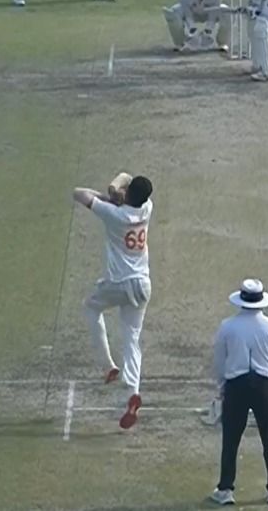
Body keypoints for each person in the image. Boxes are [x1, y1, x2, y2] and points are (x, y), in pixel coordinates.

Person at [71, 172, 153, 429]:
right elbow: (129, 182)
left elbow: (78, 192)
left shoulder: (114, 214)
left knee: (91, 308)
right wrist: (117, 195)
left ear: (127, 194)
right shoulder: (147, 208)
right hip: (142, 285)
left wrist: (110, 193)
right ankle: (132, 394)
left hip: (118, 283)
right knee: (132, 339)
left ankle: (108, 366)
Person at [209, 279, 268, 506]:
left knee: (231, 439)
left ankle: (225, 489)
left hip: (236, 385)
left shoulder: (228, 326)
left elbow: (220, 361)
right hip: (264, 385)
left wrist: (223, 386)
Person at [162, 0, 229, 53]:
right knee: (174, 12)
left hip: (208, 14)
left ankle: (222, 43)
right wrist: (192, 31)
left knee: (226, 11)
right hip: (193, 14)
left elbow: (213, 14)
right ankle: (179, 43)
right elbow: (187, 14)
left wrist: (208, 31)